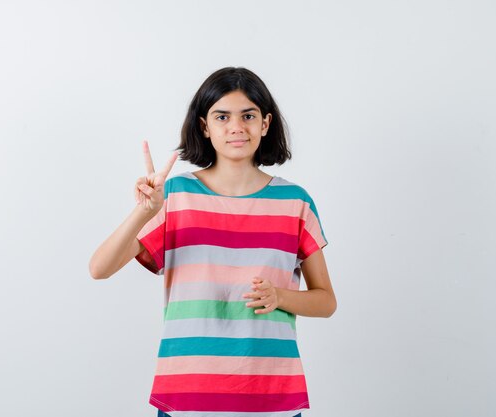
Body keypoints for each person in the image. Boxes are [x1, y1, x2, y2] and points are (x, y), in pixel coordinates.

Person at [89, 67, 337, 417]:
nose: (236, 127)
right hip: (187, 399)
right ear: (205, 126)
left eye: (248, 115)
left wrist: (280, 297)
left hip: (270, 399)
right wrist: (146, 212)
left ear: (265, 124)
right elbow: (99, 268)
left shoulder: (295, 202)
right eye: (222, 116)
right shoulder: (176, 195)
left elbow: (326, 301)